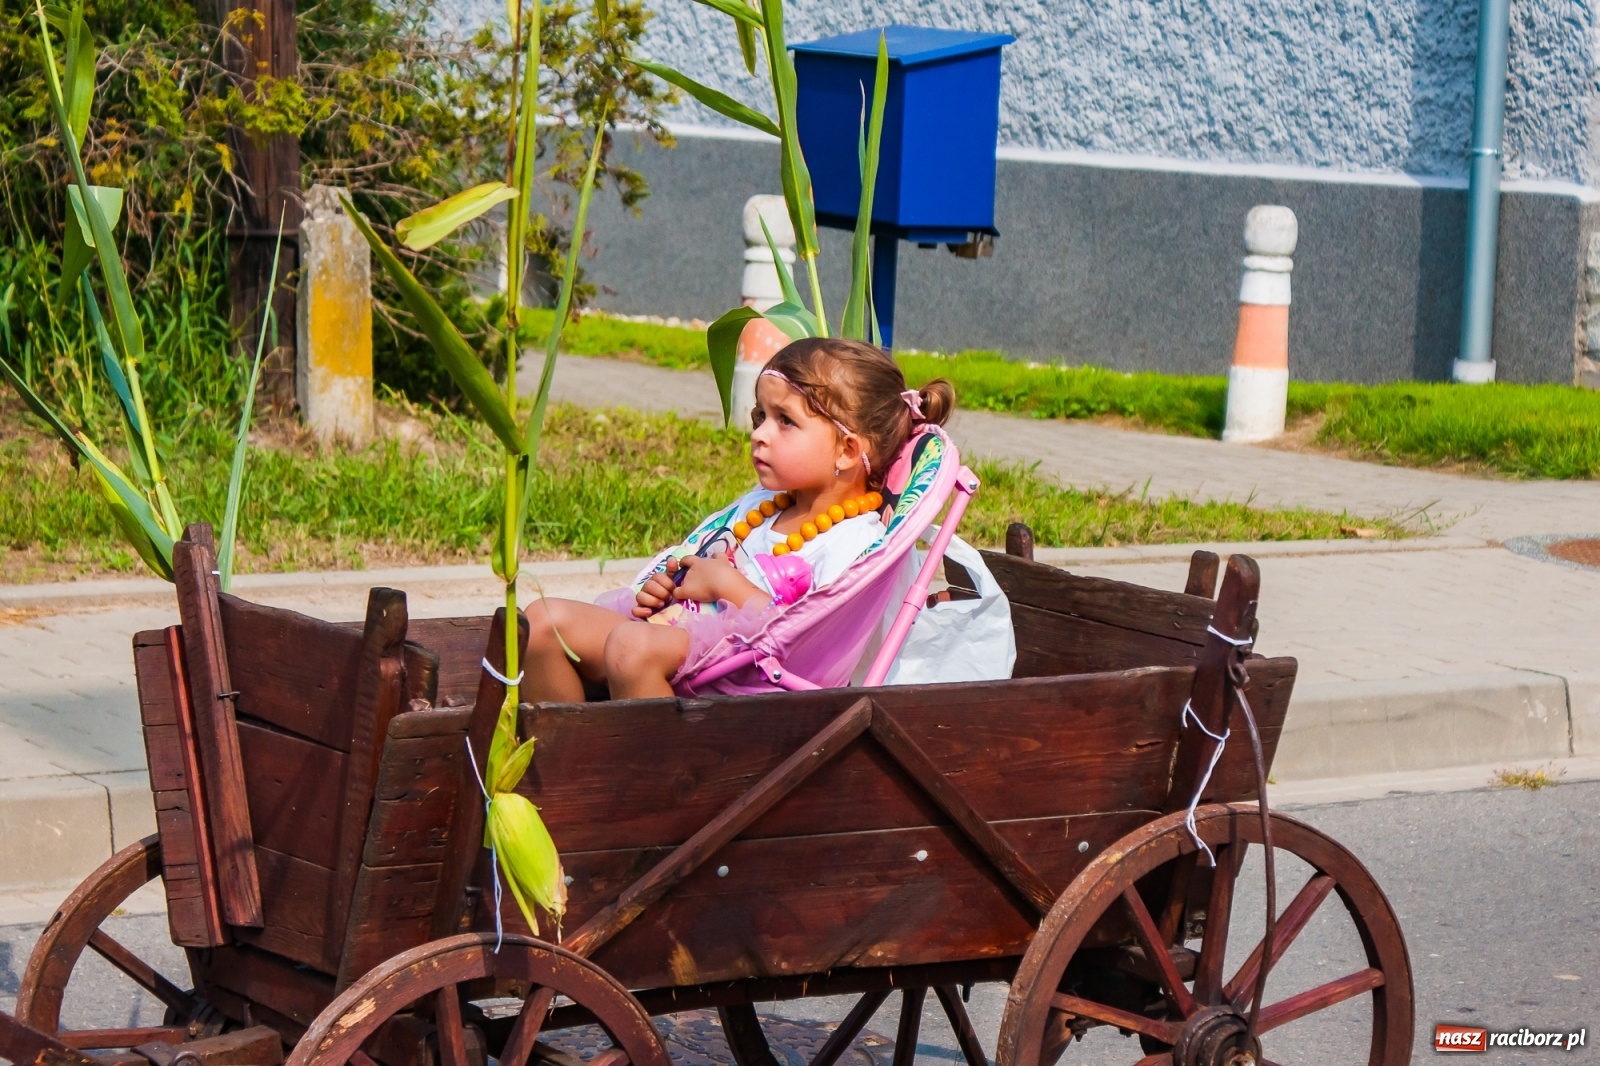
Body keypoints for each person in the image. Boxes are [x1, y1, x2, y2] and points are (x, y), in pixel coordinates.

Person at [522, 337, 955, 701]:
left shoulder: (854, 543)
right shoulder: (765, 506)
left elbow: (809, 641)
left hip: (753, 679)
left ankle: (643, 790)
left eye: (785, 421)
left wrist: (725, 585)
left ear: (846, 450)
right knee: (542, 623)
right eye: (760, 416)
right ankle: (563, 769)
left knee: (631, 647)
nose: (759, 433)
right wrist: (667, 590)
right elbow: (705, 565)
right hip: (685, 639)